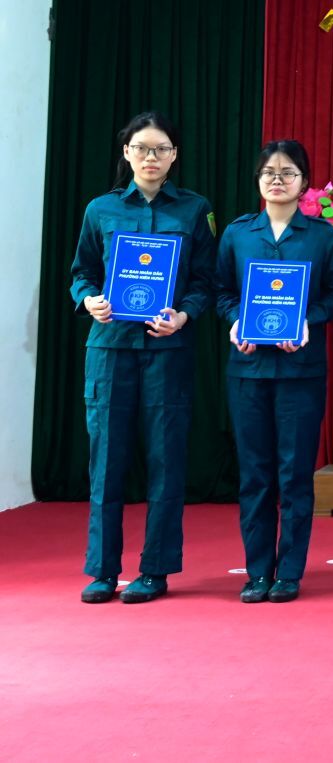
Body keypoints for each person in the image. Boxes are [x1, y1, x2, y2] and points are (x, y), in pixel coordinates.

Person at [69, 111, 216, 604]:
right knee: (106, 462)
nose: (151, 157)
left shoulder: (195, 210)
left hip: (167, 350)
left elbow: (205, 282)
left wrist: (184, 315)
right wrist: (89, 300)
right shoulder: (100, 210)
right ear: (126, 153)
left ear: (175, 155)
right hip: (109, 349)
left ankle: (155, 570)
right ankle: (102, 570)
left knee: (165, 461)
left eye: (161, 149)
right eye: (142, 148)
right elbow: (82, 273)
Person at [216, 140, 333, 603]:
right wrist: (236, 320)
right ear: (258, 180)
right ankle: (257, 572)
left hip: (300, 372)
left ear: (304, 182)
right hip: (248, 370)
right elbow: (221, 291)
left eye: (288, 173)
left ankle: (289, 572)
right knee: (255, 474)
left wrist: (306, 321)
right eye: (269, 173)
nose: (278, 180)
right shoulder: (237, 234)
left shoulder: (323, 237)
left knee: (294, 474)